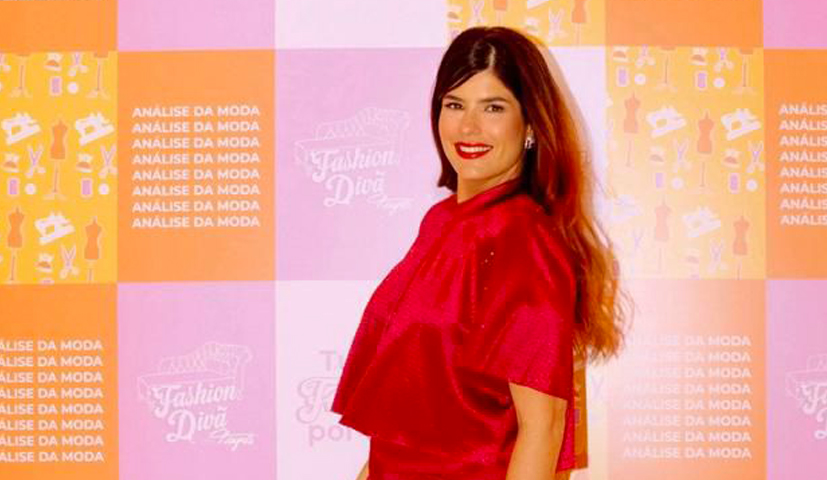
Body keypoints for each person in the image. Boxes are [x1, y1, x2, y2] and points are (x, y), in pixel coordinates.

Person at [331, 26, 628, 480]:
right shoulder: (442, 223)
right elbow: (409, 419)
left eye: (493, 107)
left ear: (530, 125)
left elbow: (543, 428)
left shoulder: (524, 241)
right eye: (454, 105)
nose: (468, 127)